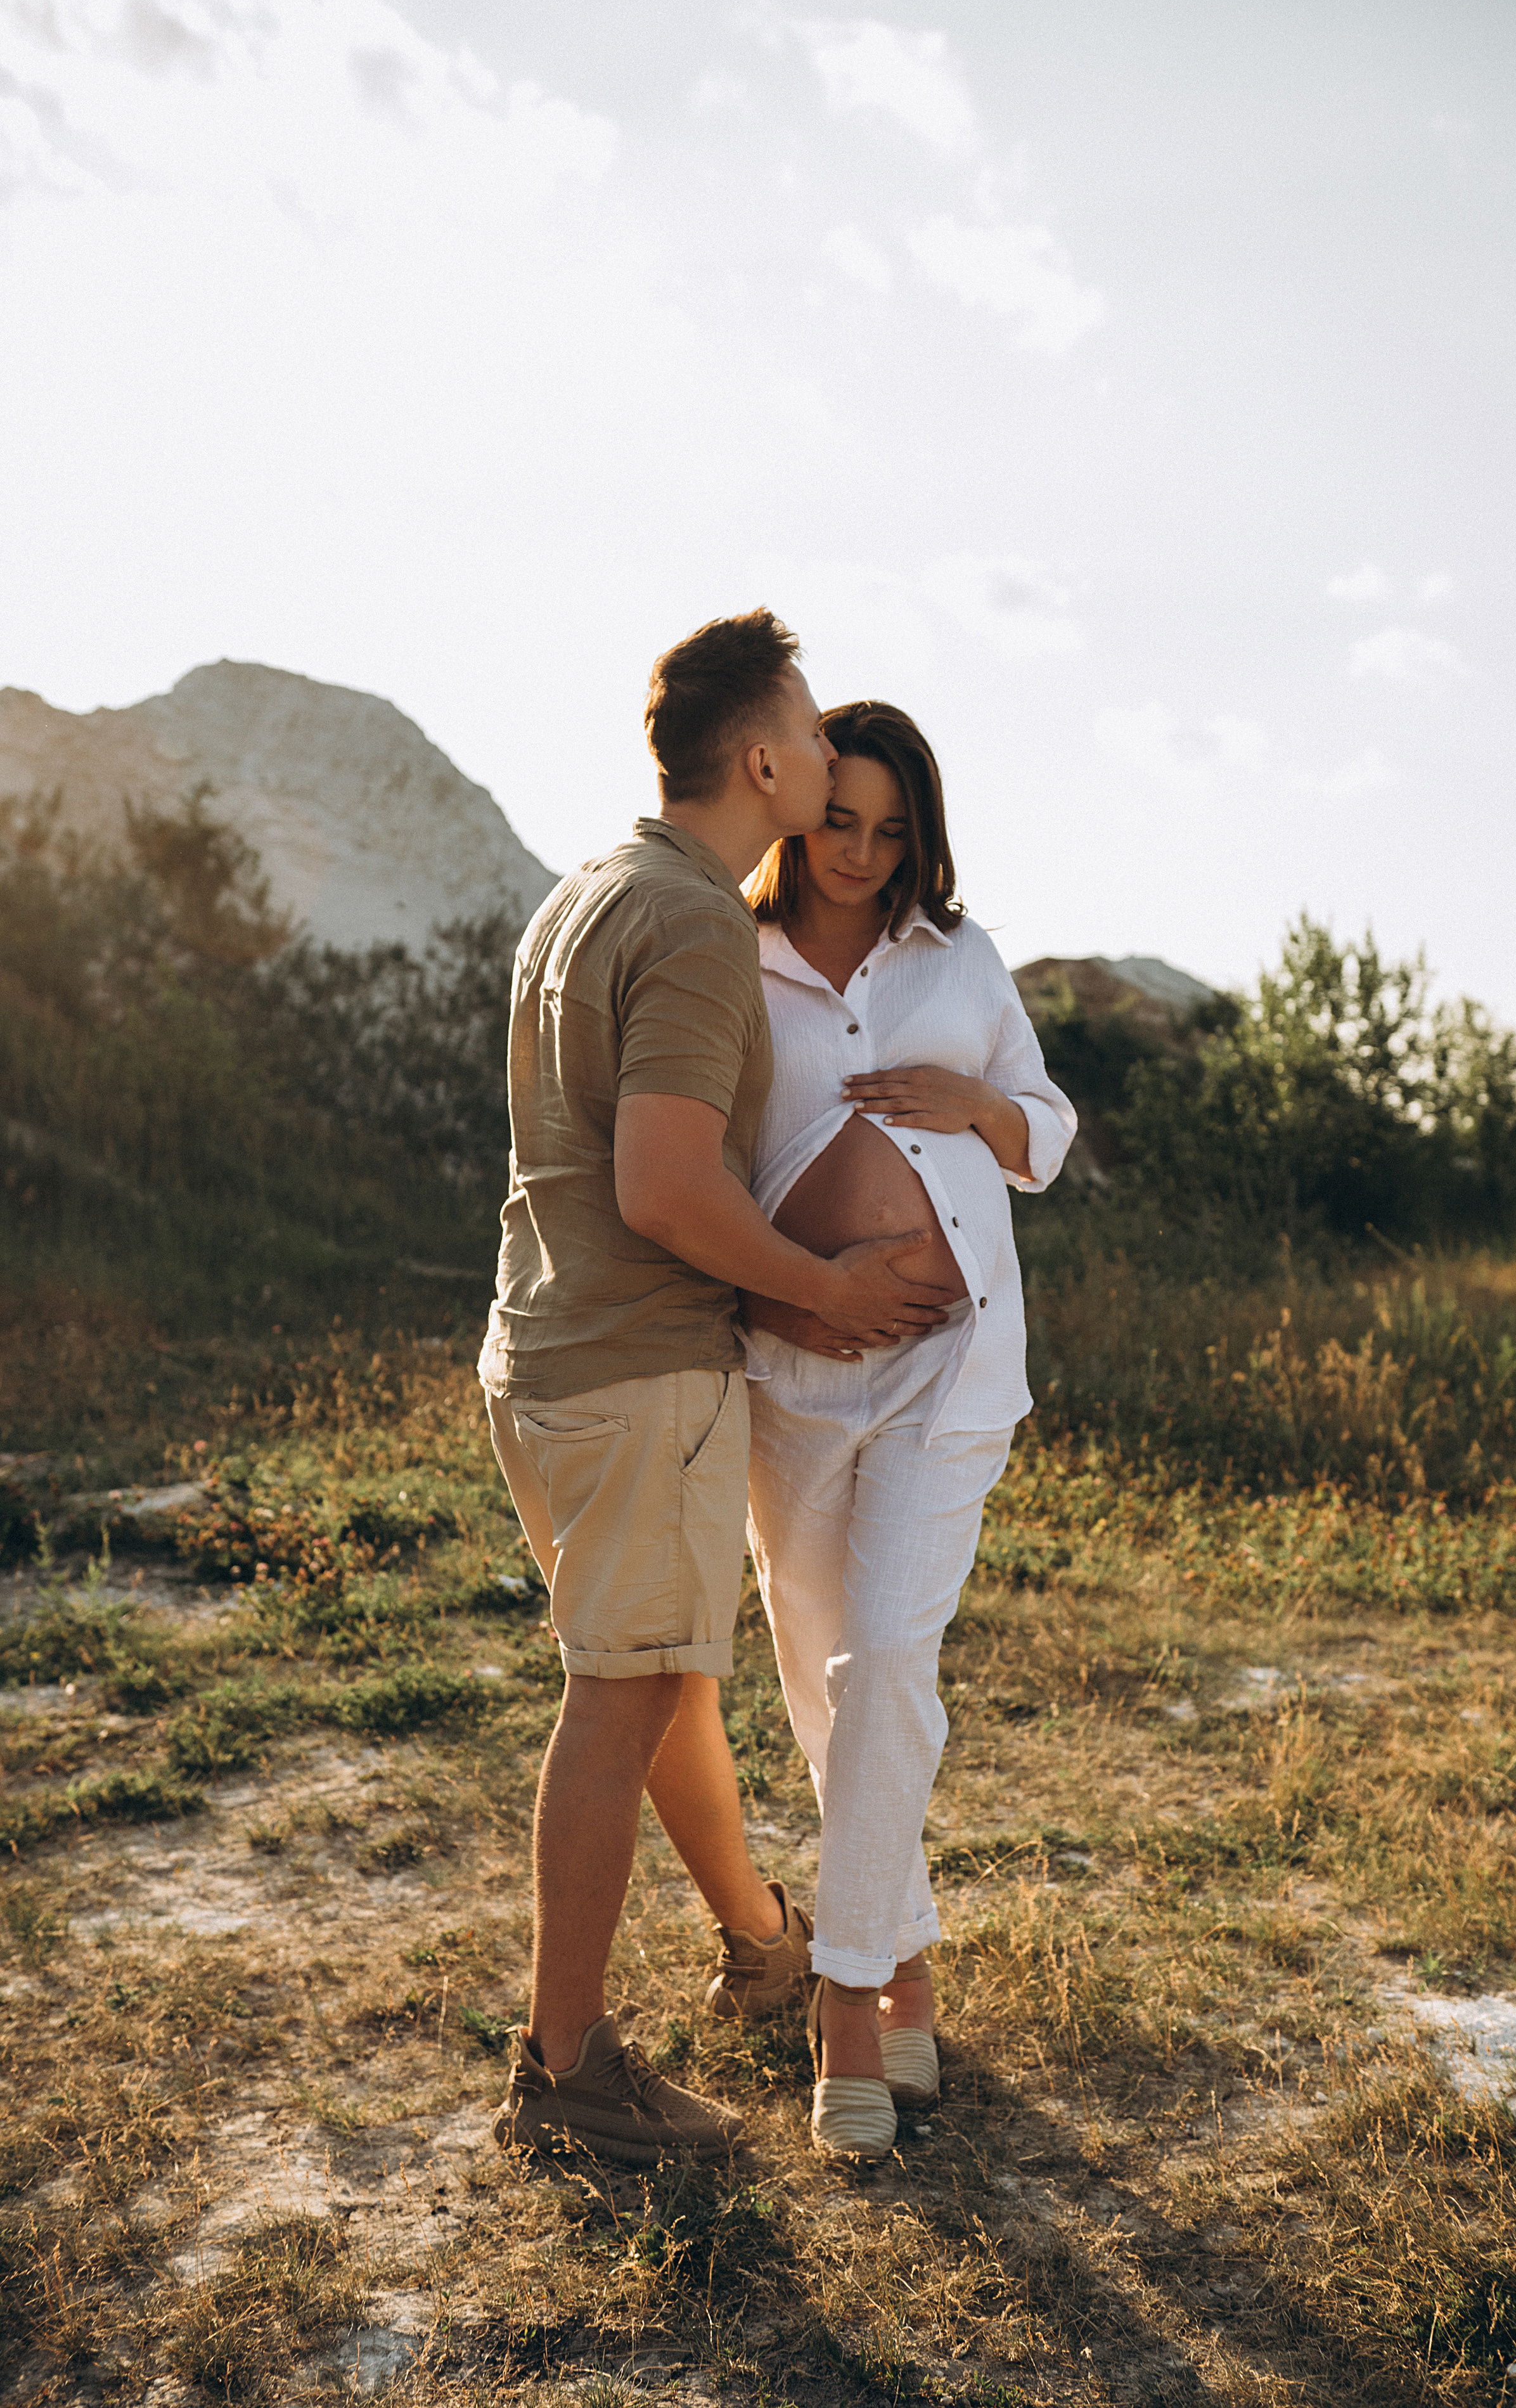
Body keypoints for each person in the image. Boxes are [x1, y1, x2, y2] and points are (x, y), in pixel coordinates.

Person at [479, 618, 956, 2168]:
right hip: (638, 1364)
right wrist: (824, 1289)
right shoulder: (689, 923)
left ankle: (758, 1939)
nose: (827, 763)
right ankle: (565, 2071)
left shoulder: (582, 895)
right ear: (759, 760)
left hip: (540, 1350)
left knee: (665, 1673)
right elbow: (669, 1184)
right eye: (813, 738)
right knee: (620, 1697)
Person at [740, 700, 1077, 2159]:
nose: (861, 855)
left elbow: (1051, 1132)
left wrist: (979, 1110)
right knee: (833, 1694)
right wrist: (797, 1293)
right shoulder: (722, 959)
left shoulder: (964, 957)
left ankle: (849, 1999)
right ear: (795, 807)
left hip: (951, 1373)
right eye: (839, 822)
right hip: (791, 1372)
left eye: (890, 832)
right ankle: (914, 1958)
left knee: (884, 1655)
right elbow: (693, 1159)